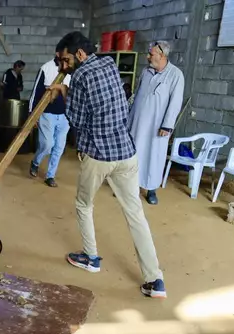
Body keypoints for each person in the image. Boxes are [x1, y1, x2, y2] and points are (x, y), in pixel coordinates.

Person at [48, 31, 166, 299]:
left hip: (98, 156)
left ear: (79, 54)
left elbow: (76, 120)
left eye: (66, 60)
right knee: (135, 214)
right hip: (126, 153)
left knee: (83, 205)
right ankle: (155, 279)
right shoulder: (109, 63)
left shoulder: (79, 76)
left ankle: (91, 258)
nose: (64, 67)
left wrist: (63, 89)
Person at [129, 41, 185, 205]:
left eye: (151, 54)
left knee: (154, 156)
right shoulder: (146, 71)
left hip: (157, 126)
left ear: (162, 55)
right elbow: (137, 94)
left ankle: (151, 189)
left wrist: (167, 125)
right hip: (137, 122)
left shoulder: (175, 75)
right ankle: (130, 188)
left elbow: (176, 102)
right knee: (133, 155)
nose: (148, 57)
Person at [28, 55, 71, 187]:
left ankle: (50, 176)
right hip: (47, 114)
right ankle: (35, 162)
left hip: (65, 116)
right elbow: (35, 93)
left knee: (58, 147)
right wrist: (32, 115)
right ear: (58, 53)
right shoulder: (46, 68)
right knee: (47, 144)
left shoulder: (72, 70)